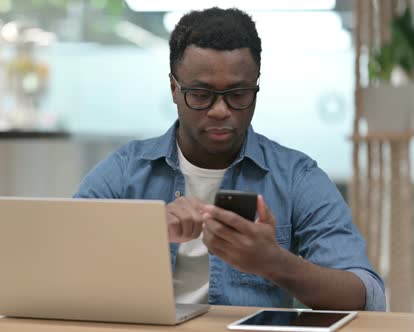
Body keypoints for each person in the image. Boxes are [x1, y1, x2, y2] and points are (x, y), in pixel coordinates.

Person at [74, 7, 386, 311]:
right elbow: (62, 258)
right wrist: (145, 231)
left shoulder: (294, 176)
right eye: (200, 94)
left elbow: (366, 294)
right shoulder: (126, 170)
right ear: (173, 88)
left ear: (257, 87)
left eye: (238, 95)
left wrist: (275, 263)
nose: (220, 110)